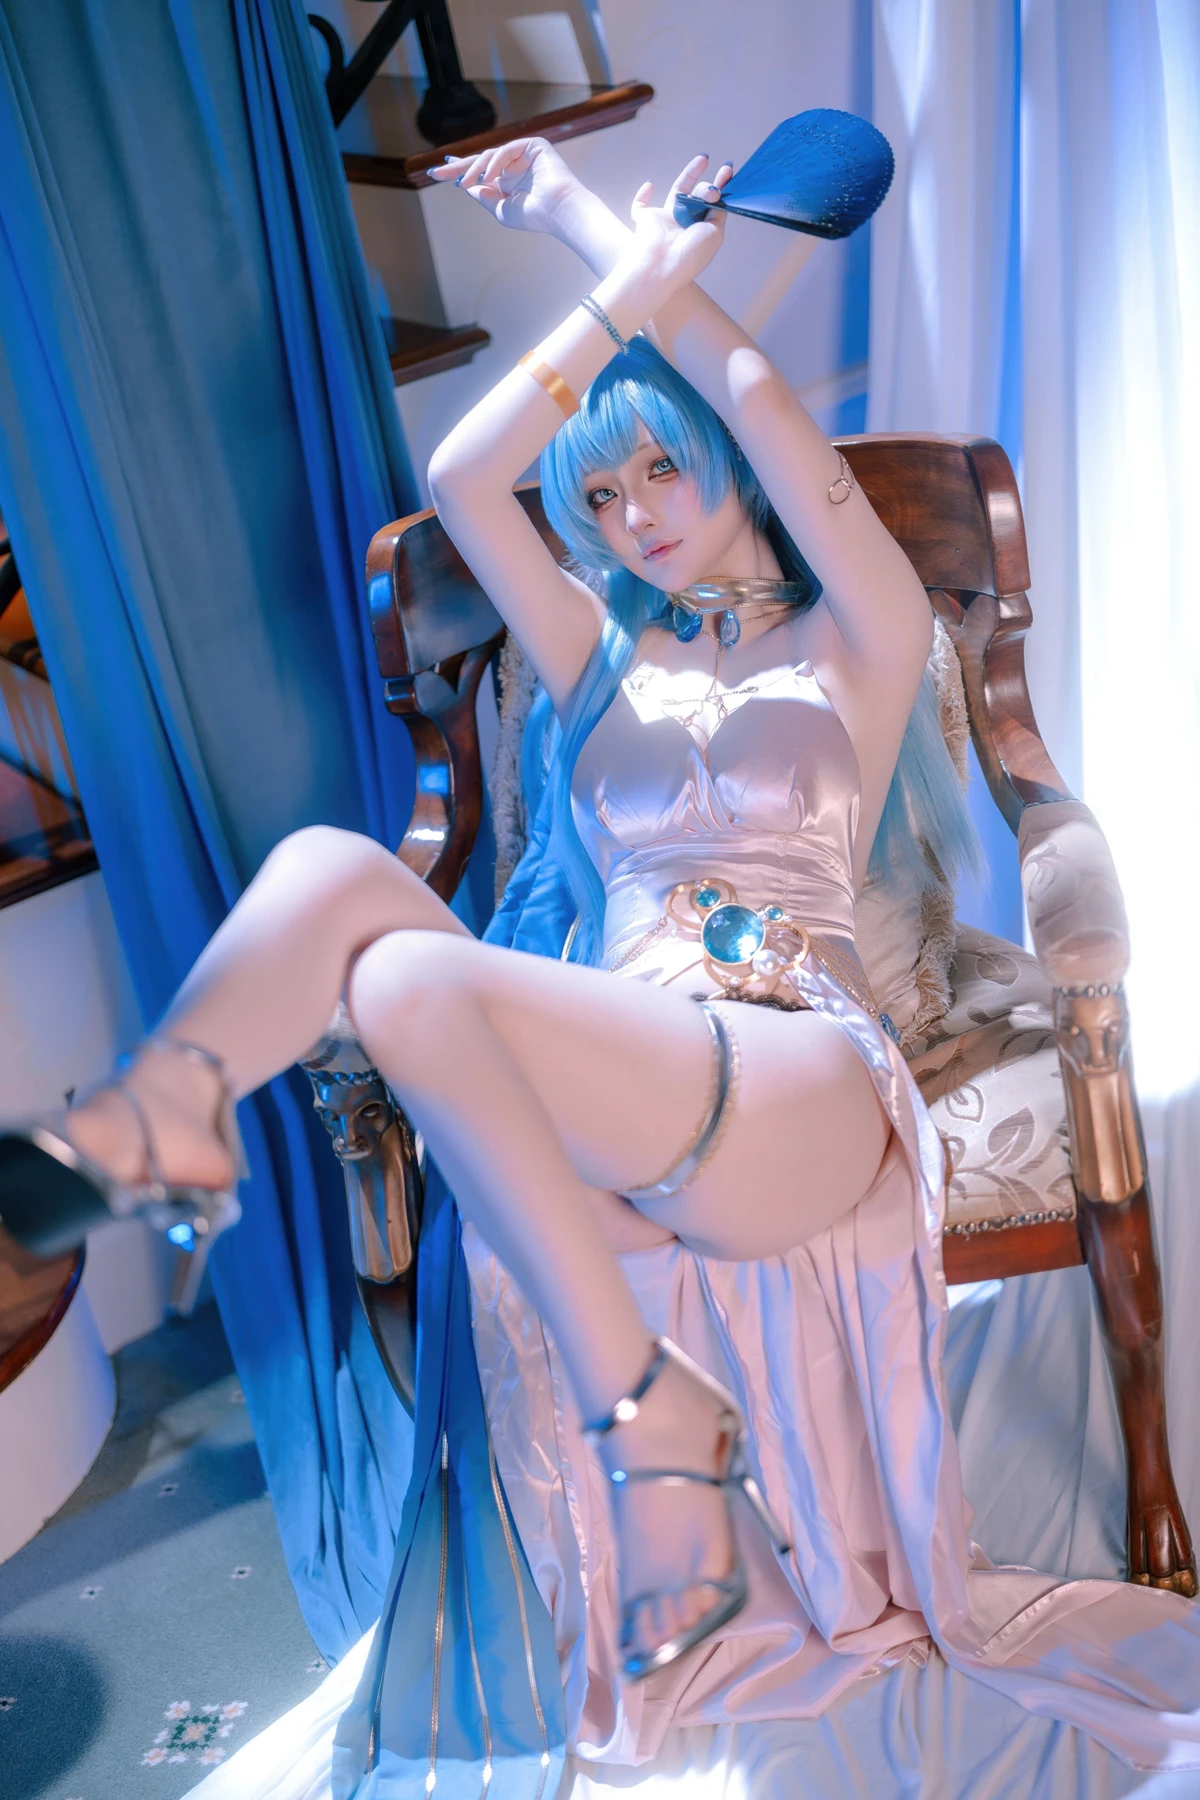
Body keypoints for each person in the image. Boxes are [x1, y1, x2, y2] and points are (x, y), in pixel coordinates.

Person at [6, 138, 1200, 1793]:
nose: (634, 521)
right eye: (603, 499)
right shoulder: (593, 663)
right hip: (620, 1047)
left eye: (661, 475)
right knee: (339, 886)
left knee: (415, 986)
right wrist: (617, 286)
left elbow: (782, 428)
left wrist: (607, 234)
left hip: (793, 1066)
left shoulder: (853, 642)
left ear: (727, 465)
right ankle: (154, 1122)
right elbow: (464, 472)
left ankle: (620, 1398)